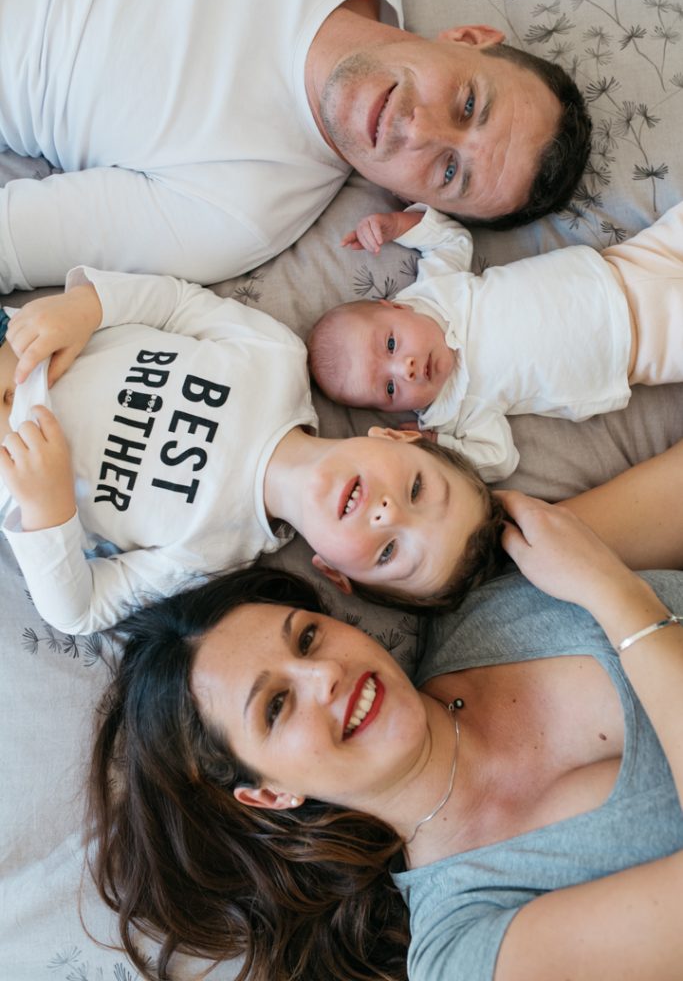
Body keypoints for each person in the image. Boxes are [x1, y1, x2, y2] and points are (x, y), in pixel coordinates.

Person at [87, 492, 683, 981]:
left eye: (307, 639)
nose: (324, 676)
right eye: (275, 706)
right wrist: (616, 597)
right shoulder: (462, 944)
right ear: (269, 794)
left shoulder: (493, 598)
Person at [0, 0, 591, 294]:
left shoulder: (237, 214)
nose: (420, 127)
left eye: (448, 169)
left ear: (412, 201)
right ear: (468, 39)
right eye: (467, 104)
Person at [0, 272, 502, 633]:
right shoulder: (278, 357)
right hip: (18, 347)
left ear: (335, 571)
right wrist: (88, 308)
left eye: (391, 551)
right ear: (395, 436)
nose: (388, 512)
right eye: (416, 488)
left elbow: (81, 610)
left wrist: (48, 511)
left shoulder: (212, 558)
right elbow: (175, 304)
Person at [308, 200, 683, 480]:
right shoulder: (455, 411)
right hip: (645, 345)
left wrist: (397, 225)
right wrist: (436, 447)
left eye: (390, 345)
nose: (404, 368)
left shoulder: (434, 291)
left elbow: (448, 240)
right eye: (389, 389)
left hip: (625, 265)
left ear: (395, 308)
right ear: (391, 412)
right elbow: (499, 458)